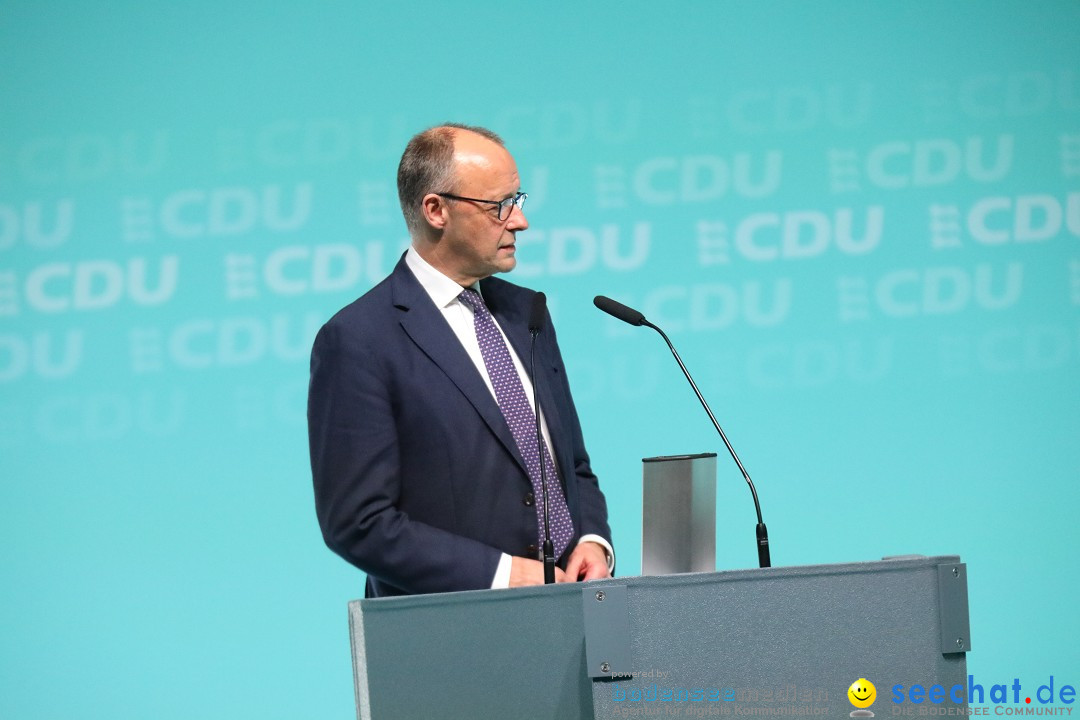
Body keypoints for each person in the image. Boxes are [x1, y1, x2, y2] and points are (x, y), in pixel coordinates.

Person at [308, 123, 614, 597]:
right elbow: (358, 522)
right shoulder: (359, 340)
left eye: (519, 199)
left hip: (571, 613)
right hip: (450, 638)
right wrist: (504, 574)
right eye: (499, 206)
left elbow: (569, 466)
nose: (519, 221)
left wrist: (593, 542)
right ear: (436, 210)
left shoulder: (526, 312)